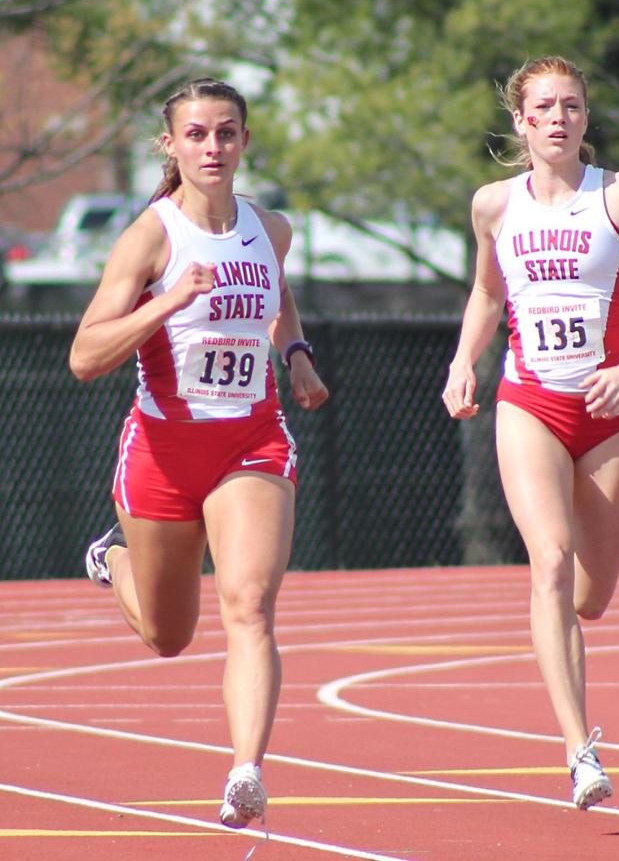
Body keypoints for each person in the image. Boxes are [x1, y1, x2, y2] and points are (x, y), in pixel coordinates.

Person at [68, 77, 329, 829]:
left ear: (244, 141)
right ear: (171, 145)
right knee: (168, 635)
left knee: (249, 604)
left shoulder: (269, 228)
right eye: (196, 134)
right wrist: (167, 302)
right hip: (162, 449)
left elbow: (276, 296)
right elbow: (84, 356)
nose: (212, 147)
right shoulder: (150, 235)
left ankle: (246, 768)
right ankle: (111, 558)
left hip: (251, 437)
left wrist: (299, 353)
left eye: (225, 133)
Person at [441, 56, 619, 810]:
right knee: (548, 561)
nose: (558, 119)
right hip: (532, 403)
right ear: (520, 121)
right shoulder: (494, 205)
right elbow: (489, 292)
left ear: (587, 118)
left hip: (616, 411)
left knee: (592, 595)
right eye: (544, 107)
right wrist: (463, 362)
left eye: (572, 106)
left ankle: (580, 664)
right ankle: (579, 749)